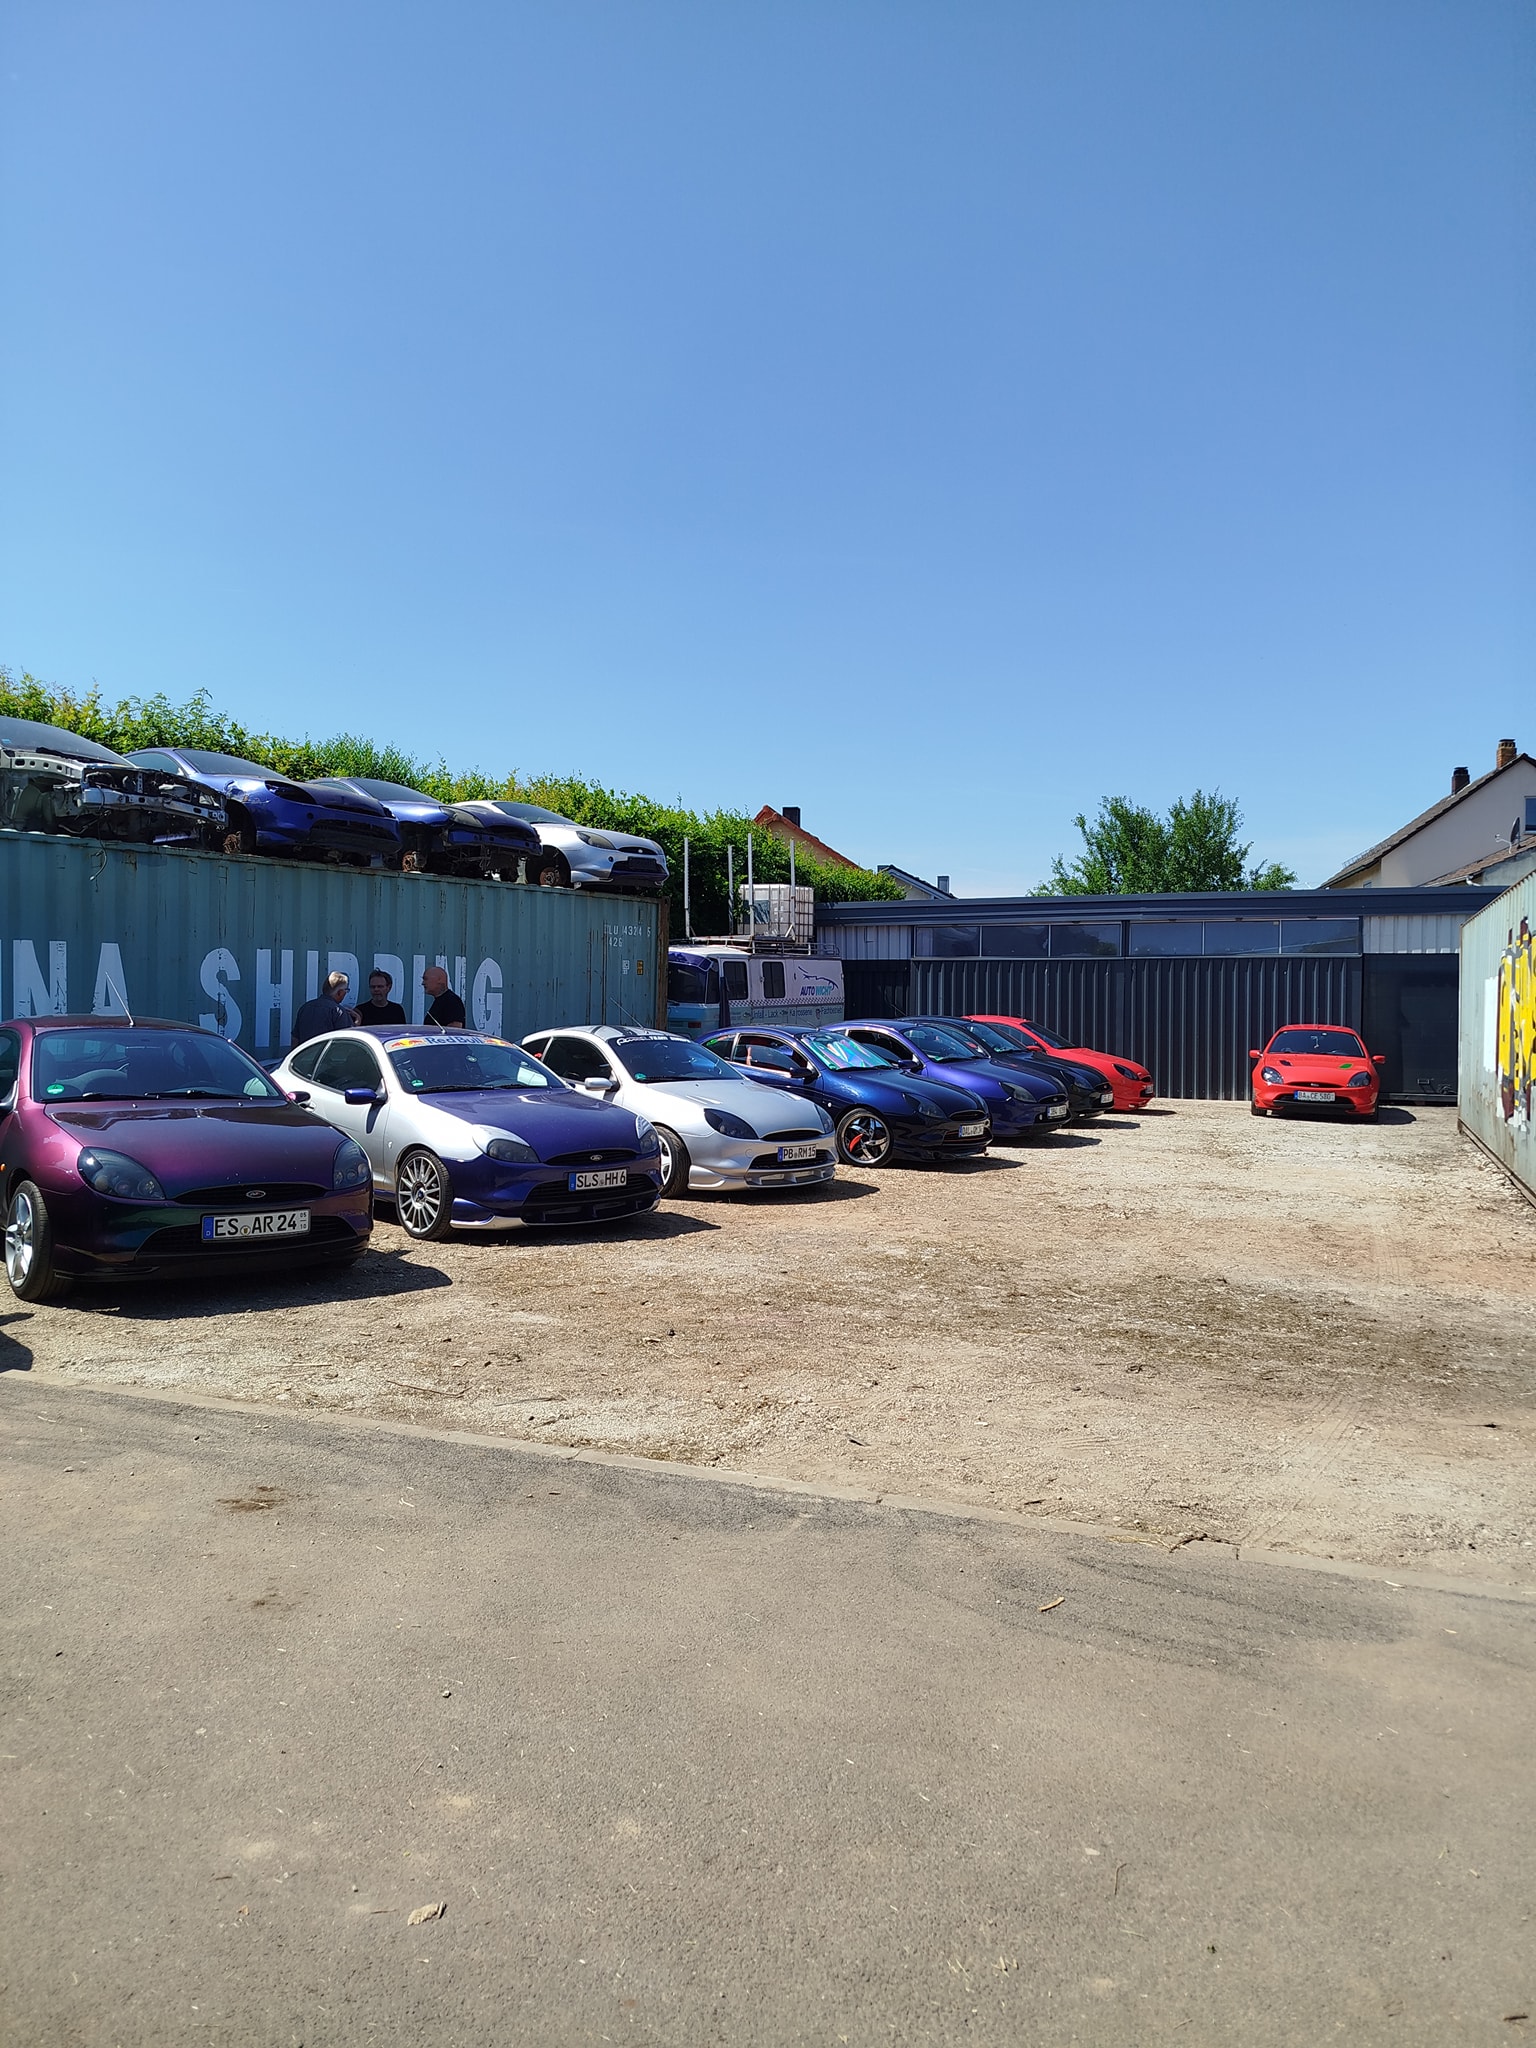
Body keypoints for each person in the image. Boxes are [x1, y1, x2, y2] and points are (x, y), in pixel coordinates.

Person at [292, 970, 358, 1048]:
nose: (345, 993)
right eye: (346, 990)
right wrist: (357, 1022)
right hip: (329, 1055)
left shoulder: (305, 1008)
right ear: (339, 992)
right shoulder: (338, 1011)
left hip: (305, 1054)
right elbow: (348, 1042)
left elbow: (295, 1040)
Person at [421, 963, 466, 1029]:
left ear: (440, 979)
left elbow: (455, 1029)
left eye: (426, 979)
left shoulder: (452, 1001)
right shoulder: (440, 1000)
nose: (423, 983)